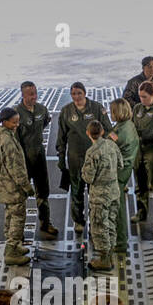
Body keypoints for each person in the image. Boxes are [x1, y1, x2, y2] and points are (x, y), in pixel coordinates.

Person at [56, 82, 112, 233]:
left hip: (95, 157)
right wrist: (61, 158)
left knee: (95, 191)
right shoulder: (66, 111)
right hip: (75, 157)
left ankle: (95, 221)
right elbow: (61, 137)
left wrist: (110, 148)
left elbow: (107, 129)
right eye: (74, 94)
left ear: (85, 93)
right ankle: (78, 221)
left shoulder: (96, 108)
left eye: (79, 93)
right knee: (76, 189)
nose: (77, 97)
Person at [14, 81, 59, 240]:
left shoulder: (41, 109)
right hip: (23, 158)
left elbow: (45, 121)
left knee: (43, 192)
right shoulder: (16, 113)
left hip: (39, 155)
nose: (33, 97)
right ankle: (17, 232)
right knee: (20, 196)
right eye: (30, 94)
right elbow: (14, 138)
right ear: (23, 95)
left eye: (35, 93)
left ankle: (45, 223)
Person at [0, 106, 33, 266]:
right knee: (18, 217)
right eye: (14, 122)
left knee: (10, 215)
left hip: (4, 183)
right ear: (5, 122)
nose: (17, 125)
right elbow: (15, 167)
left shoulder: (0, 135)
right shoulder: (7, 140)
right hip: (13, 186)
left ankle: (12, 245)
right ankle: (12, 250)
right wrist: (27, 186)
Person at [81, 119, 122, 272]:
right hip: (114, 192)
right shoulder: (112, 145)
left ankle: (104, 260)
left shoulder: (92, 152)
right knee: (111, 223)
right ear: (103, 132)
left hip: (99, 195)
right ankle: (110, 253)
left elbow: (88, 178)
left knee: (99, 226)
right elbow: (121, 165)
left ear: (88, 133)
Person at [131, 82, 153, 230]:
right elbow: (132, 125)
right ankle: (141, 211)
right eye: (140, 96)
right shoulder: (137, 108)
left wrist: (144, 136)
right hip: (139, 150)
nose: (141, 99)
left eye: (144, 97)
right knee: (140, 182)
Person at [108, 97, 139, 254]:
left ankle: (120, 242)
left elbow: (109, 145)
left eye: (112, 111)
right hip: (125, 169)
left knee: (118, 208)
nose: (110, 113)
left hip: (118, 172)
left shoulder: (121, 131)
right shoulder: (127, 125)